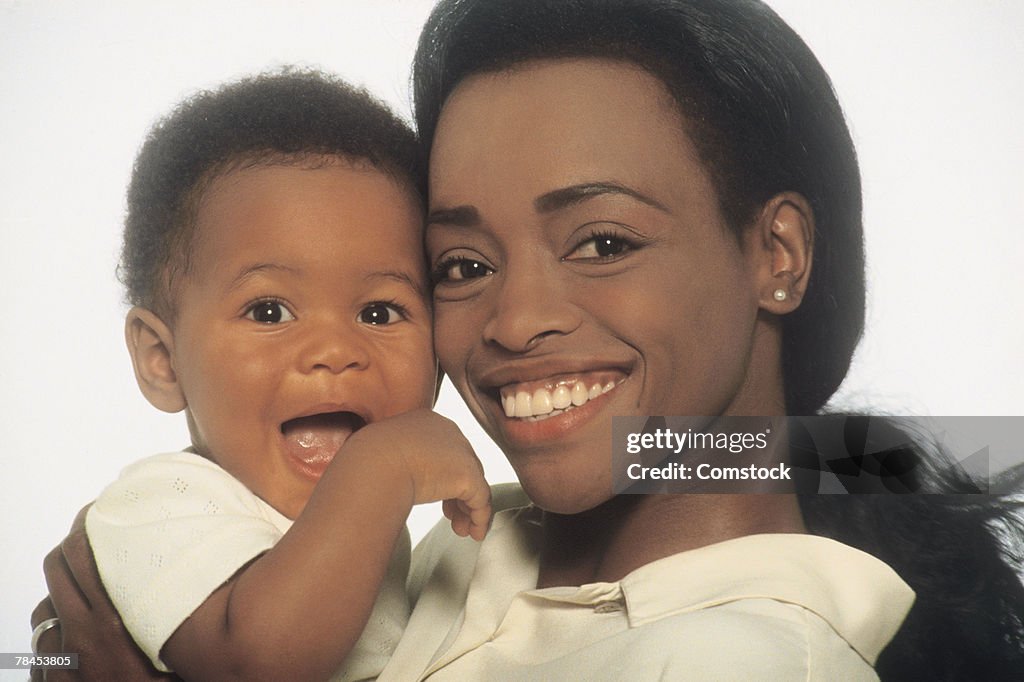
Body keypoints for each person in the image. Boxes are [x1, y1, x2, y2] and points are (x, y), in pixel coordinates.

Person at [33, 1, 1024, 680]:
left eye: (602, 241)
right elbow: (800, 447)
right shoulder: (468, 541)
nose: (512, 321)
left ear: (775, 252)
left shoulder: (732, 656)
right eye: (462, 265)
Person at [36, 69, 492, 682]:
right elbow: (256, 662)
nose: (336, 349)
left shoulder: (397, 540)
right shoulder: (157, 504)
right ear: (162, 361)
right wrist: (381, 468)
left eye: (379, 313)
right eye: (269, 311)